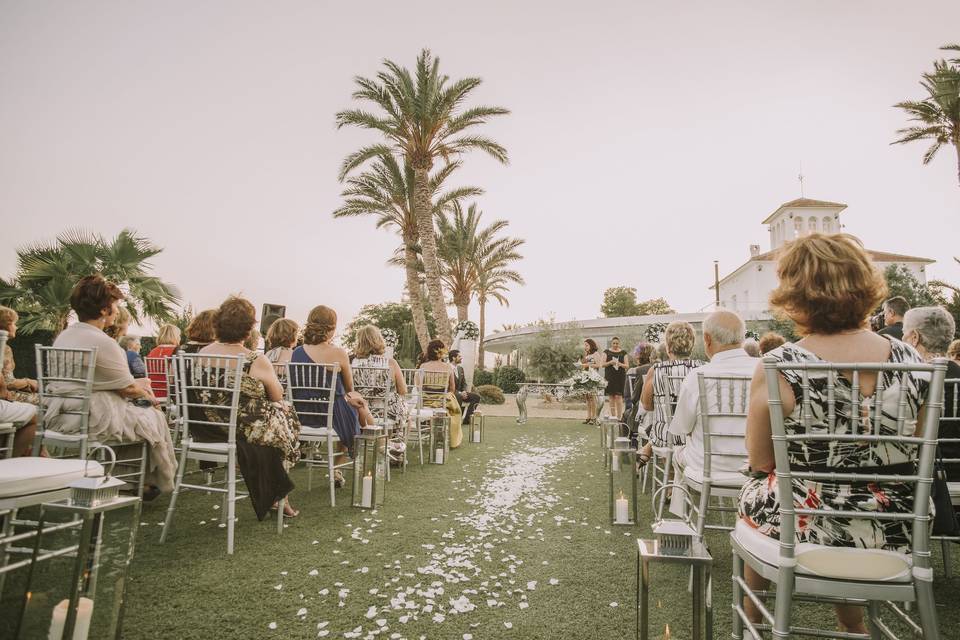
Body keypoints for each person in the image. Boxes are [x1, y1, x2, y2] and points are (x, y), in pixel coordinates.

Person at [739, 233, 932, 634]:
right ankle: (853, 625)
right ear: (865, 286)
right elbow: (913, 444)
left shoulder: (781, 364)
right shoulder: (913, 359)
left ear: (795, 294)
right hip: (899, 531)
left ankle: (753, 619)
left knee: (759, 493)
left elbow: (760, 461)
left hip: (811, 527)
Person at [47, 275, 176, 499]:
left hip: (59, 413)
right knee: (153, 416)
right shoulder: (103, 342)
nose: (117, 312)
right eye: (115, 306)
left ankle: (131, 480)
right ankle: (153, 479)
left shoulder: (64, 337)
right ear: (105, 310)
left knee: (142, 416)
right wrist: (150, 397)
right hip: (92, 417)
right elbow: (127, 389)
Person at [196, 296, 301, 518]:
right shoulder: (253, 359)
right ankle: (280, 497)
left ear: (218, 323)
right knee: (285, 413)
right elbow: (277, 395)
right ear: (248, 329)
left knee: (279, 418)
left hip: (206, 426)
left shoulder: (200, 354)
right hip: (241, 429)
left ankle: (274, 491)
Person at [668, 310, 758, 479]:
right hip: (757, 466)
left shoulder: (697, 375)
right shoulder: (765, 370)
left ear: (707, 339)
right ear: (742, 338)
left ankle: (683, 506)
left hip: (706, 467)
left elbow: (682, 428)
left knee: (678, 453)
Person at [290, 305, 368, 487]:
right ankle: (337, 468)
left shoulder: (297, 352)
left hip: (303, 414)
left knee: (350, 406)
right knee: (353, 407)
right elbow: (350, 388)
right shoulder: (338, 353)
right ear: (332, 328)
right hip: (332, 414)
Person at [902, 306, 960, 482]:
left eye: (903, 334)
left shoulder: (908, 380)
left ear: (914, 338)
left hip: (919, 476)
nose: (901, 338)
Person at [638, 322, 704, 462]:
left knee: (667, 430)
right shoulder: (703, 369)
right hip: (697, 437)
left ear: (668, 347)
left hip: (665, 438)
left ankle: (673, 476)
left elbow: (647, 406)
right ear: (691, 346)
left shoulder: (656, 370)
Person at [350, 325, 409, 461]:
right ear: (379, 341)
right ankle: (397, 452)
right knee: (406, 415)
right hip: (386, 412)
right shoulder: (390, 363)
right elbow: (403, 390)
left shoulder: (353, 363)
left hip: (361, 412)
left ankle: (386, 447)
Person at [418, 339, 463, 448]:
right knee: (455, 410)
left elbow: (419, 387)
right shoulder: (447, 367)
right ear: (441, 352)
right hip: (442, 402)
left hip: (425, 402)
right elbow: (452, 388)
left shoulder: (423, 366)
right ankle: (449, 439)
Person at [0, 306, 40, 404]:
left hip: (6, 393)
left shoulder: (5, 347)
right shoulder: (4, 349)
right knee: (46, 400)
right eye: (13, 323)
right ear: (5, 325)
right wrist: (28, 382)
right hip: (5, 396)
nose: (16, 327)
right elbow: (8, 383)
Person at [146, 324, 181, 399]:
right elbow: (174, 378)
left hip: (152, 392)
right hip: (170, 394)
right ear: (175, 336)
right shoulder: (176, 351)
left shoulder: (152, 352)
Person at [448, 349, 480, 425]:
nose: (461, 358)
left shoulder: (460, 369)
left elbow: (464, 383)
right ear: (453, 358)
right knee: (458, 396)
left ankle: (467, 420)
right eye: (459, 356)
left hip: (460, 392)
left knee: (476, 397)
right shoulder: (447, 368)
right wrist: (460, 393)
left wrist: (465, 392)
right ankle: (456, 420)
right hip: (451, 392)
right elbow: (448, 386)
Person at [602, 336, 628, 421]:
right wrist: (610, 362)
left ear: (619, 343)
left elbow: (627, 366)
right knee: (611, 396)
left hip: (620, 376)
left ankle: (619, 417)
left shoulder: (623, 352)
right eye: (614, 343)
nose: (615, 345)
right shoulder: (606, 352)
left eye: (617, 343)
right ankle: (613, 416)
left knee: (619, 396)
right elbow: (602, 364)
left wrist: (619, 364)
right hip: (610, 376)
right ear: (611, 343)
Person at [581, 338, 604, 425]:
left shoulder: (596, 354)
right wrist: (581, 365)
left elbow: (599, 365)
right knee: (587, 397)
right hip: (586, 377)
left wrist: (587, 364)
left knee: (592, 397)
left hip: (593, 377)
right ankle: (588, 416)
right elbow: (585, 365)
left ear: (591, 345)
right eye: (585, 345)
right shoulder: (586, 354)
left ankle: (594, 417)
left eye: (587, 345)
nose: (585, 347)